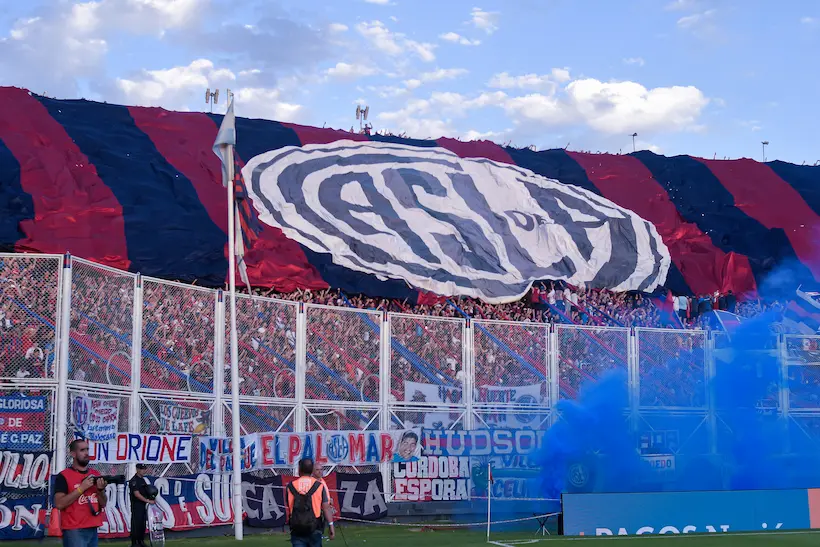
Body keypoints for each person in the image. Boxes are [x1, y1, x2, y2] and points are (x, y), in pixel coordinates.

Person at [53, 439, 108, 547]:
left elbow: (103, 503)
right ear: (73, 454)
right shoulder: (64, 476)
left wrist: (100, 491)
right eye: (82, 450)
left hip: (93, 526)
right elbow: (59, 504)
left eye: (87, 449)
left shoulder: (95, 474)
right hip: (74, 529)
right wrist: (81, 488)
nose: (87, 453)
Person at [285, 458, 335, 547]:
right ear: (312, 470)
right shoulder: (319, 485)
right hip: (314, 527)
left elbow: (289, 505)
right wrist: (331, 525)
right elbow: (326, 508)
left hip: (297, 527)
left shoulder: (290, 486)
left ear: (299, 469)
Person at [129, 464, 154, 547]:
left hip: (143, 505)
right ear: (137, 469)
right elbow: (136, 494)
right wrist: (147, 500)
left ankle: (141, 541)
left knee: (142, 524)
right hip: (136, 505)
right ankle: (135, 543)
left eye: (144, 469)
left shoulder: (142, 480)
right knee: (136, 523)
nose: (144, 471)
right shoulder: (134, 480)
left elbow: (146, 491)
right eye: (142, 469)